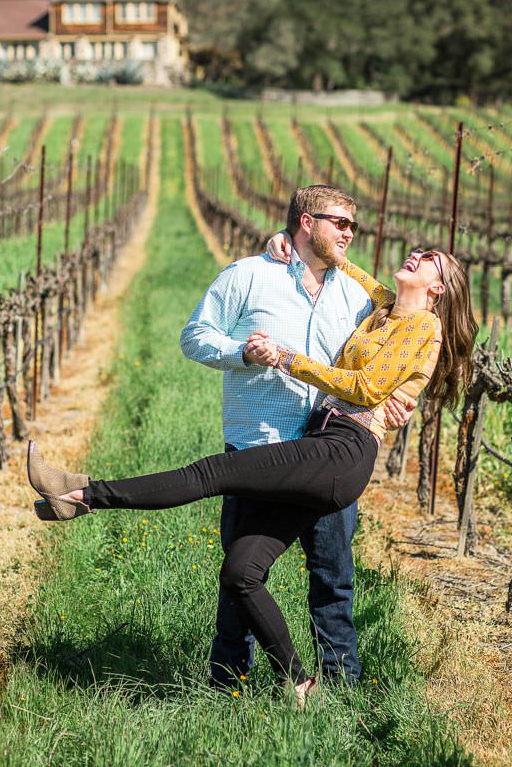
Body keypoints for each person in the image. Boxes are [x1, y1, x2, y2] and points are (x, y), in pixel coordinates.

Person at [27, 231, 471, 703]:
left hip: (343, 450)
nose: (415, 255)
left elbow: (364, 387)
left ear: (438, 288)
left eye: (428, 260)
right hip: (322, 441)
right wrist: (290, 244)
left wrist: (286, 358)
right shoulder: (384, 305)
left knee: (215, 474)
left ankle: (84, 493)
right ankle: (301, 684)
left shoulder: (423, 326)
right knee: (240, 572)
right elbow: (343, 267)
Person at [180, 186, 404, 691]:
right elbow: (195, 336)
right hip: (259, 446)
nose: (350, 233)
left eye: (354, 225)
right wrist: (242, 352)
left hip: (327, 452)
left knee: (333, 576)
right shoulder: (248, 275)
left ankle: (340, 686)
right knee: (241, 574)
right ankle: (228, 682)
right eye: (340, 223)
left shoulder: (360, 296)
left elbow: (391, 357)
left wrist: (397, 398)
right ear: (306, 222)